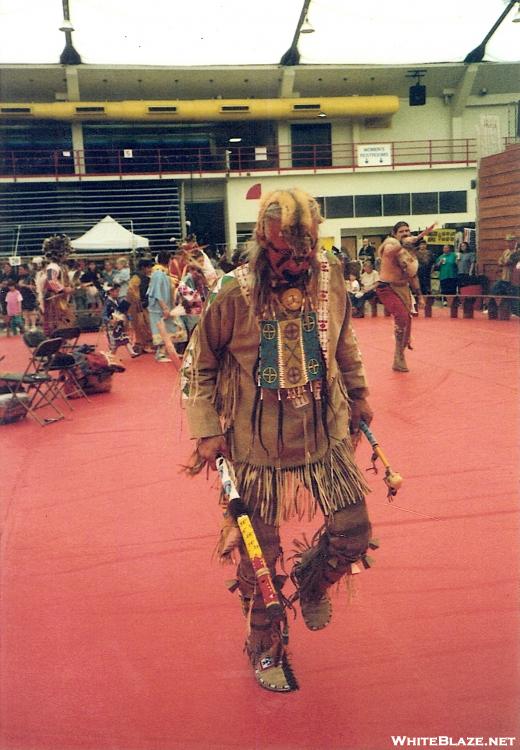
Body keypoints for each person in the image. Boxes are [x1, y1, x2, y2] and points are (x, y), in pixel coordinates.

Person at [182, 188, 374, 692]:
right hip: (254, 448)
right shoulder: (233, 292)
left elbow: (345, 342)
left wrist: (359, 394)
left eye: (306, 252)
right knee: (259, 562)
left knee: (353, 532)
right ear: (260, 245)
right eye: (284, 254)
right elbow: (198, 363)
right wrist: (206, 428)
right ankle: (265, 644)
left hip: (323, 436)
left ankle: (312, 584)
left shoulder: (330, 279)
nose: (297, 265)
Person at [376, 221, 427, 373]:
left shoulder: (408, 252)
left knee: (407, 321)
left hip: (403, 289)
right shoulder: (389, 244)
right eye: (401, 231)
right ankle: (398, 355)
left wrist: (420, 296)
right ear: (394, 233)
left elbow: (413, 275)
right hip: (386, 288)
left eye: (407, 231)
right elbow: (390, 252)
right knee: (402, 316)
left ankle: (400, 355)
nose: (405, 233)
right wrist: (403, 243)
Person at [147, 250, 186, 362]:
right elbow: (157, 292)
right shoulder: (158, 274)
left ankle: (167, 352)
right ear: (168, 260)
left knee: (170, 328)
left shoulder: (162, 273)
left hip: (165, 306)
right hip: (159, 307)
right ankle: (161, 354)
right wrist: (164, 307)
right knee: (162, 329)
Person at [41, 234, 76, 336]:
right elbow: (51, 279)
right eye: (66, 253)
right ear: (59, 254)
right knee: (55, 321)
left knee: (61, 320)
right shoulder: (52, 266)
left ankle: (60, 340)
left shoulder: (59, 266)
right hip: (53, 299)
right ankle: (55, 341)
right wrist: (63, 289)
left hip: (58, 299)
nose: (67, 256)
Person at [102, 284, 139, 358]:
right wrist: (109, 320)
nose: (117, 293)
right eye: (116, 292)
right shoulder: (107, 303)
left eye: (118, 292)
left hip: (119, 323)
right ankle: (111, 356)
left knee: (124, 338)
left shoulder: (117, 301)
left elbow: (123, 311)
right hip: (112, 325)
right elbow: (104, 315)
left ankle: (131, 352)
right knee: (114, 343)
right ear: (110, 292)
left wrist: (129, 318)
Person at [127, 259, 153, 354]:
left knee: (146, 324)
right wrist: (138, 303)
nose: (150, 269)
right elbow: (132, 291)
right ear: (143, 268)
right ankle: (143, 345)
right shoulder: (136, 278)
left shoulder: (143, 277)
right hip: (137, 305)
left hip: (143, 304)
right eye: (149, 267)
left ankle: (145, 344)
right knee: (140, 325)